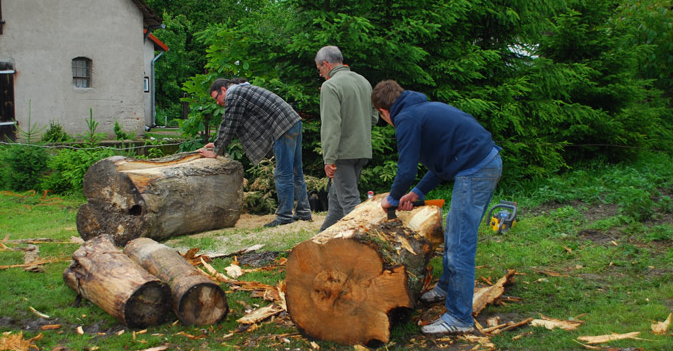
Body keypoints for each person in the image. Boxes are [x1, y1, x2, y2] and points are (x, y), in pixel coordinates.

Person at [371, 80, 502, 335]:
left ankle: (459, 317)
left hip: (476, 169)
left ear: (383, 111)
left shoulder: (406, 118)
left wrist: (393, 199)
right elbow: (442, 162)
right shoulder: (421, 110)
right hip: (483, 162)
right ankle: (446, 288)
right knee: (454, 228)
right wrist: (417, 192)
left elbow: (406, 170)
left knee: (460, 241)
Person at [198, 78, 312, 227]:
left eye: (216, 98)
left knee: (283, 173)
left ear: (224, 90)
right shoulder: (242, 90)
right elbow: (235, 123)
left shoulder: (233, 94)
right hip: (293, 121)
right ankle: (303, 212)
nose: (218, 103)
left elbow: (229, 124)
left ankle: (284, 216)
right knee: (296, 170)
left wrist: (216, 151)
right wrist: (217, 144)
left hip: (283, 126)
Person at [314, 46, 379, 231]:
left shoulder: (331, 86)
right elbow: (374, 117)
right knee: (336, 202)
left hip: (342, 154)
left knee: (350, 201)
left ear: (325, 64)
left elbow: (331, 126)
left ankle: (366, 241)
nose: (320, 74)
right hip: (362, 150)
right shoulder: (364, 82)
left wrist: (329, 159)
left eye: (319, 69)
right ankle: (321, 240)